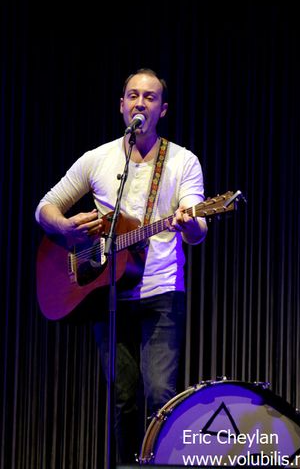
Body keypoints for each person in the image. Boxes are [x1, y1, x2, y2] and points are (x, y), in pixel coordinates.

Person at [35, 68, 207, 463]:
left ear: (162, 109)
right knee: (122, 399)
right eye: (133, 96)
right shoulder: (98, 159)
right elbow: (44, 208)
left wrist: (192, 222)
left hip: (161, 293)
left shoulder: (182, 161)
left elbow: (197, 230)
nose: (140, 103)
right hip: (109, 293)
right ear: (121, 106)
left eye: (149, 97)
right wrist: (68, 230)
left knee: (161, 395)